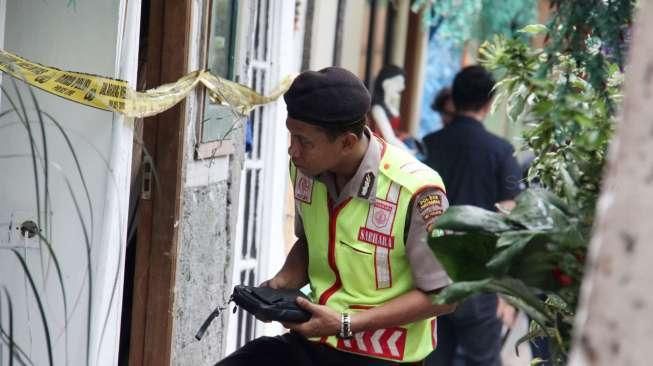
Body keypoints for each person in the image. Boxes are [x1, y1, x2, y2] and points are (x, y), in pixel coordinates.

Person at [218, 67, 456, 365]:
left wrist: (346, 323)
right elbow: (310, 242)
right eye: (291, 135)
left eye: (304, 141)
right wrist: (284, 282)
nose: (293, 150)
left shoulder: (416, 191)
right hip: (314, 341)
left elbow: (445, 296)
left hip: (383, 356)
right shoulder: (306, 170)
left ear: (346, 142)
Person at [422, 65, 523, 366]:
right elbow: (509, 219)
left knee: (431, 358)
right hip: (479, 279)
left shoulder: (431, 144)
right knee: (483, 360)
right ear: (490, 103)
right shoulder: (501, 151)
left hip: (430, 273)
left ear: (455, 97)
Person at [369, 65, 422, 155]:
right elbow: (389, 138)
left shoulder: (390, 108)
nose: (402, 87)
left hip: (393, 150)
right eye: (398, 82)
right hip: (382, 152)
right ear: (385, 83)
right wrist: (408, 152)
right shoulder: (378, 109)